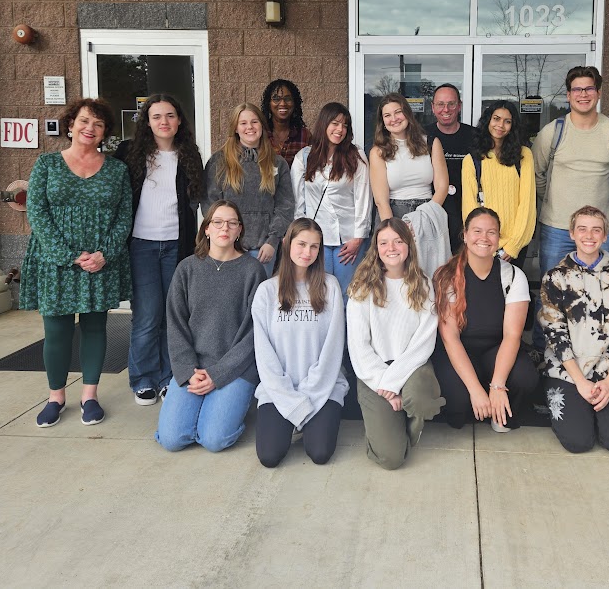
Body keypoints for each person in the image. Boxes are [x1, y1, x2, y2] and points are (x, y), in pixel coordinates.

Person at [20, 98, 132, 428]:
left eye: (98, 124)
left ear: (104, 133)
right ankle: (55, 397)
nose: (89, 128)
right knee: (57, 332)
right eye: (84, 121)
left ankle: (89, 396)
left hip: (99, 263)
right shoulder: (47, 165)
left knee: (96, 329)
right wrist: (69, 255)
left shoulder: (117, 170)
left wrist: (104, 254)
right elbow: (37, 213)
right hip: (56, 264)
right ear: (70, 125)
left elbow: (124, 217)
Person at [114, 94, 204, 407]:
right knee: (147, 316)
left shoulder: (189, 154)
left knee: (173, 316)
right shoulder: (129, 153)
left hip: (176, 246)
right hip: (141, 245)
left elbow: (194, 204)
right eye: (156, 116)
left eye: (169, 115)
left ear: (179, 120)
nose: (163, 122)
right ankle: (143, 379)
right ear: (147, 121)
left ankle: (169, 377)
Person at [531, 66, 609, 350]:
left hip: (600, 230)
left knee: (599, 291)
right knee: (551, 291)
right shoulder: (554, 132)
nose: (583, 94)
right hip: (557, 226)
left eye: (589, 89)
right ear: (569, 94)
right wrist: (554, 202)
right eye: (577, 89)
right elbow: (538, 174)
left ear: (598, 93)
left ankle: (590, 349)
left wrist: (598, 209)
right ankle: (543, 349)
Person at [156, 201, 266, 453]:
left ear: (240, 230)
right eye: (217, 222)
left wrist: (218, 375)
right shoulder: (187, 268)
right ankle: (204, 409)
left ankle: (222, 410)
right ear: (206, 228)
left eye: (232, 223)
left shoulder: (253, 271)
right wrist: (187, 370)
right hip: (193, 366)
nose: (224, 228)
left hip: (235, 368)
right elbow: (175, 324)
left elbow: (253, 333)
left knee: (215, 440)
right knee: (172, 440)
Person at [538, 205, 609, 456]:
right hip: (568, 372)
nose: (589, 235)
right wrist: (580, 382)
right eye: (582, 229)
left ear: (605, 236)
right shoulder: (555, 277)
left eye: (596, 230)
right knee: (578, 442)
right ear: (572, 234)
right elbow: (555, 333)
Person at [347, 218, 445, 470]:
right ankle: (388, 428)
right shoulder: (362, 287)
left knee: (421, 399)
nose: (391, 248)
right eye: (384, 242)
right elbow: (359, 348)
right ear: (376, 248)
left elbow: (423, 342)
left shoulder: (422, 284)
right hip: (373, 371)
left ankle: (410, 423)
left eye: (398, 241)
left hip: (411, 366)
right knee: (391, 459)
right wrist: (385, 386)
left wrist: (395, 381)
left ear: (409, 245)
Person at [253, 219, 348, 467]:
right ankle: (292, 422)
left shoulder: (330, 287)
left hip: (323, 386)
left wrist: (309, 395)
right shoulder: (266, 291)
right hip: (279, 390)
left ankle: (307, 422)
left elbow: (333, 349)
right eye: (302, 244)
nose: (307, 253)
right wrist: (290, 399)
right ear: (286, 244)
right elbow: (264, 355)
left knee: (319, 453)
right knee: (269, 456)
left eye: (314, 247)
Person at [432, 208, 538, 431]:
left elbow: (512, 335)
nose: (484, 238)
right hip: (460, 350)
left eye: (491, 232)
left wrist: (498, 386)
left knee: (525, 377)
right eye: (477, 231)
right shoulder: (447, 275)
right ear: (465, 235)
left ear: (499, 238)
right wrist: (475, 389)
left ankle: (500, 410)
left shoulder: (512, 275)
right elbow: (450, 338)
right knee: (459, 399)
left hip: (496, 349)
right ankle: (478, 400)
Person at [203, 102, 294, 278]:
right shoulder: (219, 162)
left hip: (263, 250)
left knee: (260, 301)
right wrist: (225, 238)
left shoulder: (277, 163)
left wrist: (272, 241)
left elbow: (285, 206)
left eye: (254, 122)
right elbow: (210, 205)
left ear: (262, 126)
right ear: (235, 128)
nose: (249, 127)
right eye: (243, 123)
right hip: (228, 247)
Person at [291, 102, 371, 297]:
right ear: (324, 124)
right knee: (319, 293)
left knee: (348, 294)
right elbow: (297, 200)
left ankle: (347, 328)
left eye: (345, 125)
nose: (340, 129)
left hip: (349, 238)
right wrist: (301, 235)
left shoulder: (356, 155)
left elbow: (363, 197)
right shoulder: (305, 156)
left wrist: (358, 238)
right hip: (317, 238)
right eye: (335, 123)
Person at [460, 100, 536, 267]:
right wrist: (483, 243)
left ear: (512, 126)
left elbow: (527, 204)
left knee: (513, 291)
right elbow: (469, 208)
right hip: (483, 245)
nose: (500, 125)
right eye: (496, 118)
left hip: (515, 246)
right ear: (488, 121)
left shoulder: (523, 155)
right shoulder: (472, 160)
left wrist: (513, 246)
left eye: (507, 121)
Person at [369, 92, 448, 222]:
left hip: (429, 211)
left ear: (407, 114)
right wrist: (394, 230)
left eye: (398, 112)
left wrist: (423, 218)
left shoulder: (431, 143)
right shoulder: (378, 152)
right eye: (387, 115)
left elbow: (442, 187)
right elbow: (381, 201)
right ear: (383, 122)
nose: (394, 119)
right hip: (393, 214)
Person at [424, 84, 475, 251]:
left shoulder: (476, 136)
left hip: (467, 212)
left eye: (451, 104)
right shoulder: (421, 137)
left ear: (459, 106)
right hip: (433, 212)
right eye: (440, 104)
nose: (446, 109)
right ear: (433, 107)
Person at [262, 79, 312, 168]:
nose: (282, 103)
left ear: (294, 103)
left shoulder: (305, 135)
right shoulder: (261, 134)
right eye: (276, 99)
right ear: (268, 103)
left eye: (288, 99)